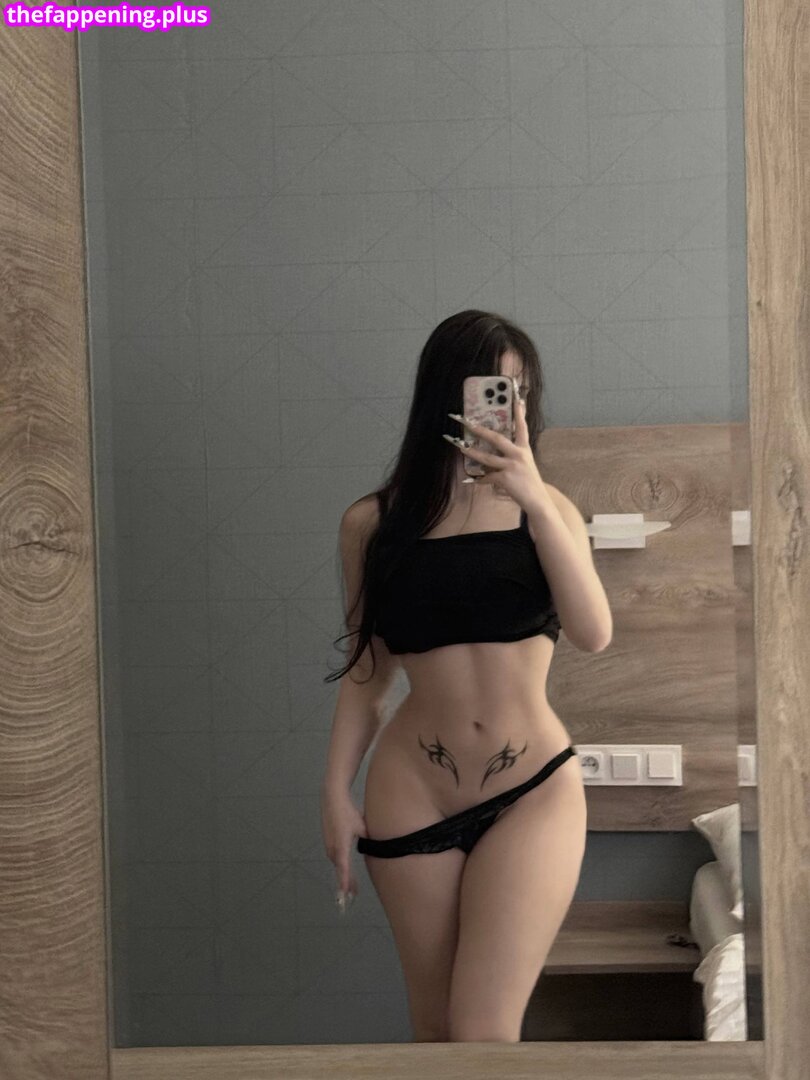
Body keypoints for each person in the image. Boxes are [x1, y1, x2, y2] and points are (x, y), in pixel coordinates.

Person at [320, 310, 612, 1042]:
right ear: (444, 395)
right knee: (435, 1032)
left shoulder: (549, 512)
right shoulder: (371, 525)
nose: (505, 407)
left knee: (484, 1031)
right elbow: (367, 672)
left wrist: (534, 496)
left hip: (532, 787)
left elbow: (593, 632)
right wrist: (333, 791)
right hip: (412, 789)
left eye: (518, 391)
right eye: (491, 388)